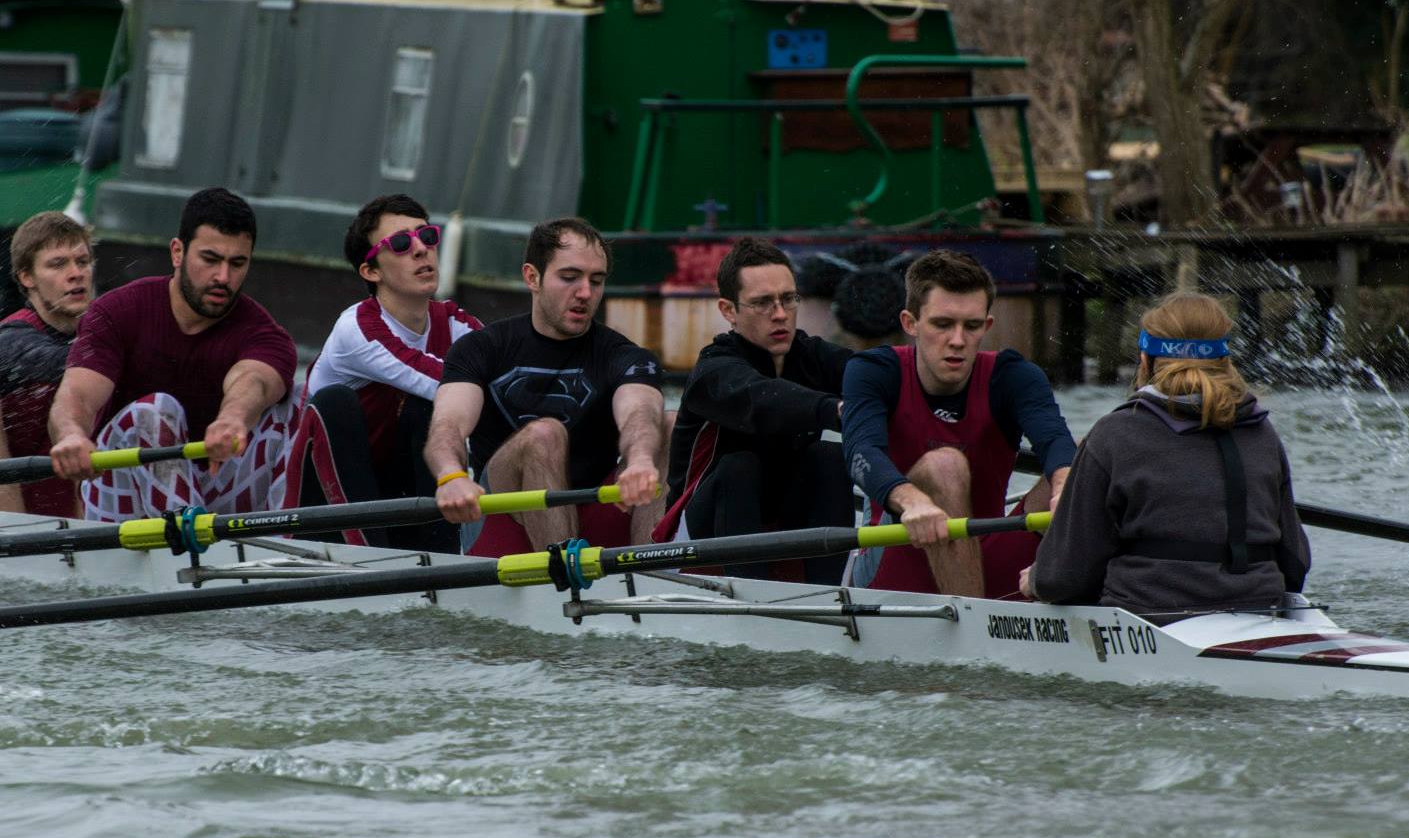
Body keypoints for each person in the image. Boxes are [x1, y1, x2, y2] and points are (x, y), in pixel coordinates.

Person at [1026, 293, 1310, 615]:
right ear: (1225, 361)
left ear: (1144, 360)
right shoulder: (1261, 432)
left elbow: (1064, 578)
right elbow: (1296, 564)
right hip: (1259, 608)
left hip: (1149, 615)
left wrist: (1036, 580)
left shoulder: (1114, 434)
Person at [47, 187, 297, 521]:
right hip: (119, 489)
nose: (223, 277)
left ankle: (284, 542)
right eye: (210, 260)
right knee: (155, 410)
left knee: (298, 401)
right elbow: (77, 395)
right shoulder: (116, 311)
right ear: (177, 253)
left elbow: (254, 380)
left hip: (212, 487)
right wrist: (72, 437)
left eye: (237, 263)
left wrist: (232, 419)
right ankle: (185, 535)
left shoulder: (265, 333)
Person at [425, 216, 665, 554]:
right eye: (569, 277)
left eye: (596, 281)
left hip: (595, 512)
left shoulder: (623, 355)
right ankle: (563, 570)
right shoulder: (480, 348)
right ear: (532, 277)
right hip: (505, 517)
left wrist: (639, 460)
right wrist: (451, 476)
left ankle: (648, 567)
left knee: (668, 424)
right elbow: (447, 426)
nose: (585, 293)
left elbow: (639, 412)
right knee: (544, 434)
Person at [841, 249, 1074, 598]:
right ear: (910, 323)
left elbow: (1056, 440)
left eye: (972, 326)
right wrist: (911, 501)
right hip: (898, 558)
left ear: (987, 326)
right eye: (942, 324)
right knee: (945, 466)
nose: (957, 340)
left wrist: (1064, 487)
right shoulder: (873, 371)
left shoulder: (1014, 376)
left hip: (989, 556)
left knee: (1091, 457)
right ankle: (973, 618)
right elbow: (861, 452)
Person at [288, 194, 482, 549]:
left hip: (396, 494)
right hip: (320, 512)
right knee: (337, 401)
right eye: (401, 243)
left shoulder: (453, 321)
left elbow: (504, 373)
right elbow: (441, 378)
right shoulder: (356, 328)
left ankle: (443, 556)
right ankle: (370, 553)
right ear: (371, 271)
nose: (421, 250)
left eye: (427, 236)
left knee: (431, 409)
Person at [656, 237, 853, 582]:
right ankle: (750, 592)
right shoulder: (713, 370)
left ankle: (830, 594)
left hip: (782, 516)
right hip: (701, 533)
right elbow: (761, 399)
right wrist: (832, 408)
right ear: (728, 311)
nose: (780, 314)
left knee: (829, 457)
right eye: (762, 303)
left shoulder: (812, 355)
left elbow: (873, 373)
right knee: (740, 466)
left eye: (788, 299)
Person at [0, 212, 96, 516]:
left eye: (83, 261)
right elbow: (62, 362)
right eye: (58, 264)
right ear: (26, 277)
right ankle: (13, 530)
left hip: (66, 515)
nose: (76, 273)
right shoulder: (10, 340)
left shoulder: (101, 332)